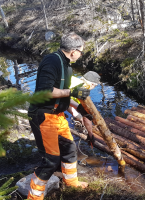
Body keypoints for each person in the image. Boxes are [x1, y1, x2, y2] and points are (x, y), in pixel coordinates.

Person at [27, 32, 91, 200]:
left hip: (58, 116)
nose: (81, 55)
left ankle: (72, 183)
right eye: (81, 52)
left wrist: (79, 108)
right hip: (44, 115)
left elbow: (62, 94)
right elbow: (45, 91)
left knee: (70, 150)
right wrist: (72, 91)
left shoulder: (67, 65)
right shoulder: (52, 61)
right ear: (73, 51)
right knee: (51, 160)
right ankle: (34, 197)